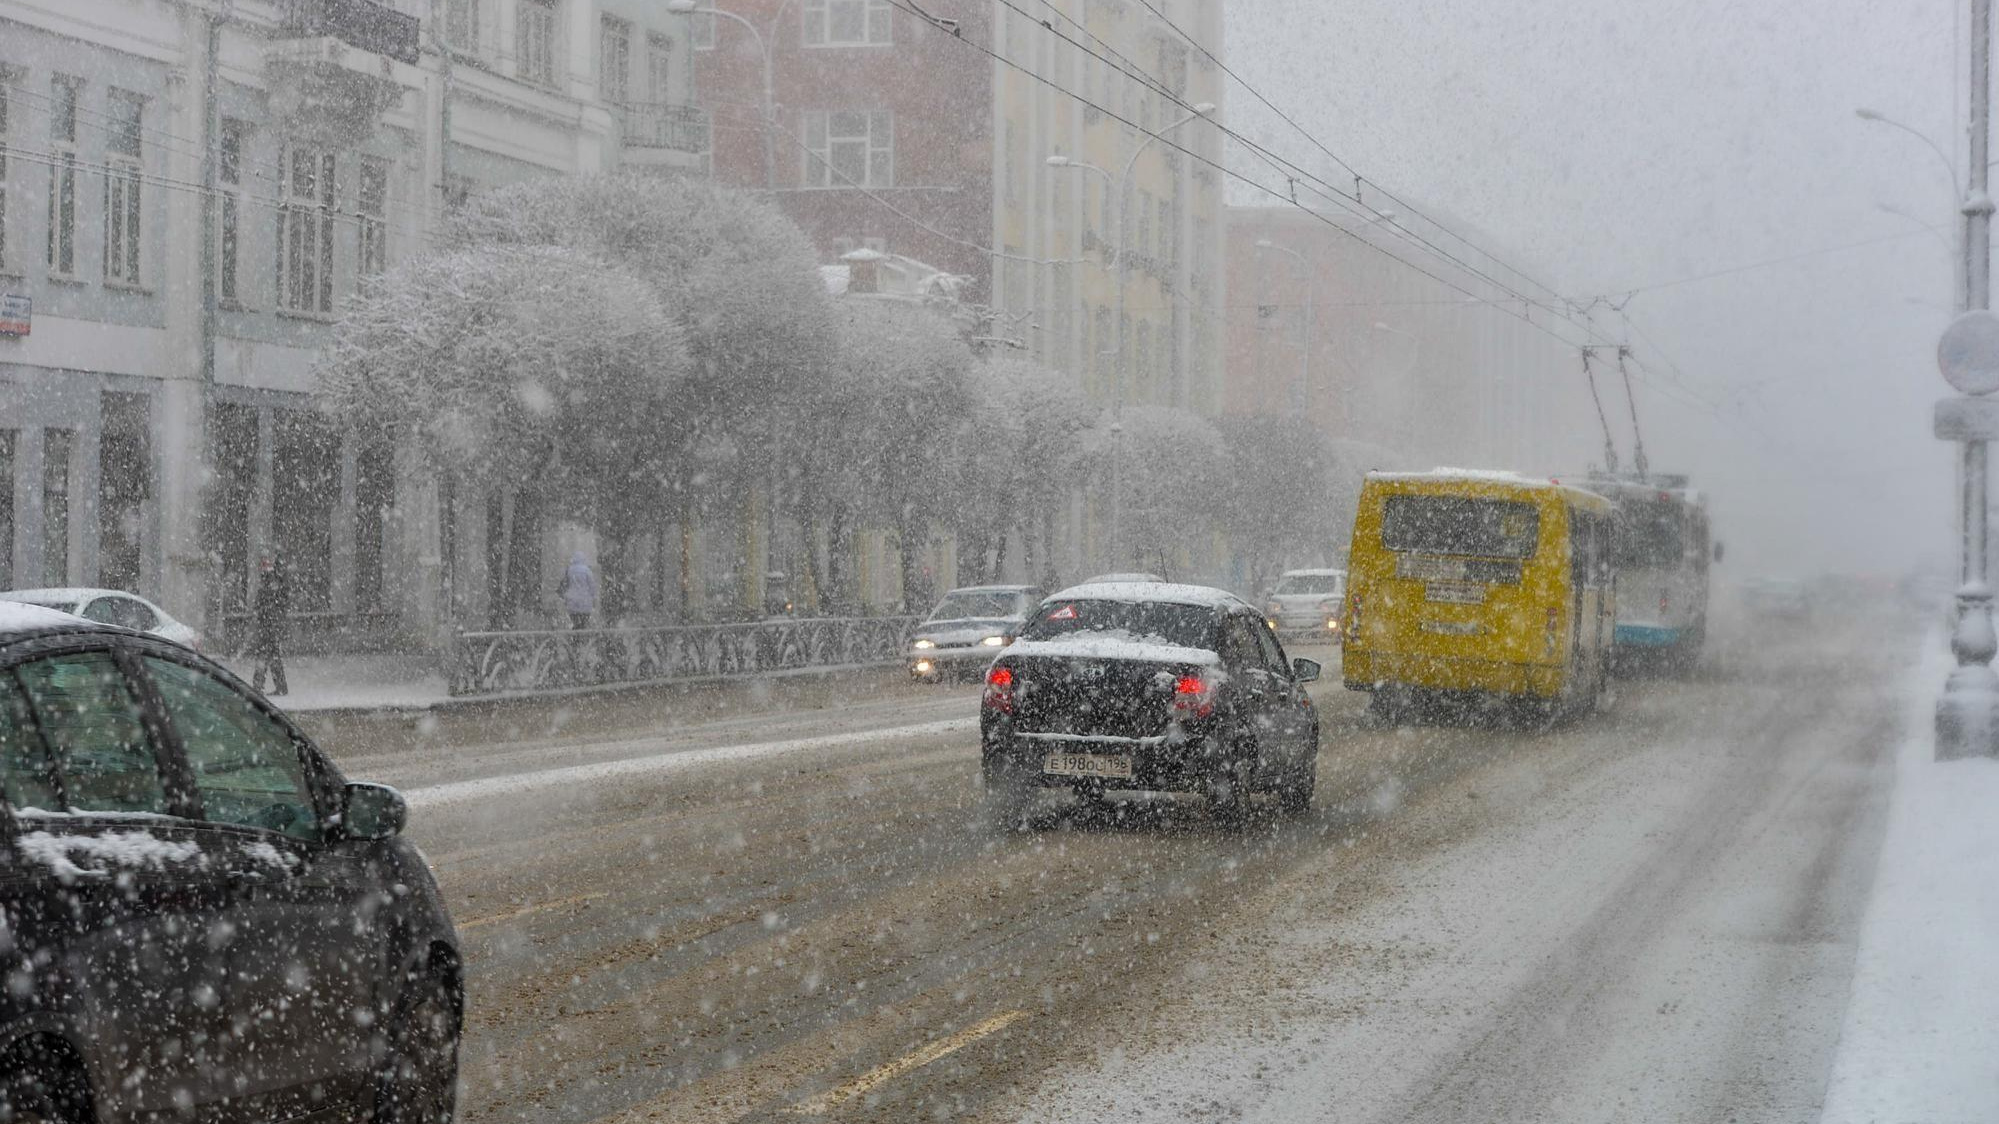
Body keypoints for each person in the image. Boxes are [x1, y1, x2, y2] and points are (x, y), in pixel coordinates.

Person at [250, 554, 290, 696]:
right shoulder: (275, 583)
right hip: (273, 626)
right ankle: (280, 687)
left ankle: (257, 687)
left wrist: (260, 613)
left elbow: (264, 604)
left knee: (263, 656)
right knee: (273, 657)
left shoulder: (269, 584)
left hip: (269, 626)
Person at [559, 551, 598, 630]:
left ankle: (575, 638)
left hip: (572, 603)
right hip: (585, 603)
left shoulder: (569, 570)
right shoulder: (587, 570)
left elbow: (565, 584)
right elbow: (592, 586)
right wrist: (594, 598)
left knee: (576, 623)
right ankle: (582, 638)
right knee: (584, 624)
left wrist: (565, 598)